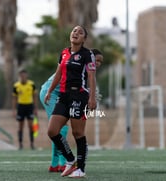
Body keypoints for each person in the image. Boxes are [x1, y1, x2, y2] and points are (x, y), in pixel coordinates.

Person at [44, 25, 97, 178]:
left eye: (80, 32)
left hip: (79, 96)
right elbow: (58, 73)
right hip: (63, 96)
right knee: (52, 131)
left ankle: (81, 168)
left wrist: (92, 98)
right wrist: (49, 90)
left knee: (78, 132)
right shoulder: (64, 53)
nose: (76, 33)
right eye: (74, 31)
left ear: (84, 39)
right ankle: (70, 160)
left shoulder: (87, 55)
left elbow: (92, 77)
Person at [39, 49, 103, 173]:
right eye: (97, 60)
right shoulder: (74, 65)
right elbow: (64, 80)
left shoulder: (85, 71)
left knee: (69, 130)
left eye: (101, 61)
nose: (98, 63)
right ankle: (62, 163)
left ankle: (59, 163)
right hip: (51, 93)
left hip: (64, 96)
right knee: (59, 129)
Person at [12, 69, 37, 150]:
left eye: (24, 75)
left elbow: (35, 96)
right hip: (20, 107)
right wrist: (14, 110)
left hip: (29, 106)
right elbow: (14, 98)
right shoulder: (16, 86)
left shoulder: (31, 84)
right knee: (20, 126)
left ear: (27, 75)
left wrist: (35, 108)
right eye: (21, 75)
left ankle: (32, 144)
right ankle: (20, 144)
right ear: (19, 76)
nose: (23, 77)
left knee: (30, 125)